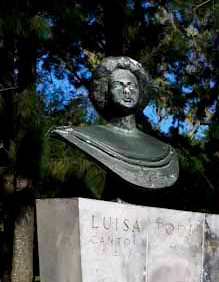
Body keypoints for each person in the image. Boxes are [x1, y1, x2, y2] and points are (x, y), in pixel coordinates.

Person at [52, 56, 178, 191]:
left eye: (132, 85)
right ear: (106, 92)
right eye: (119, 85)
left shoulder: (165, 151)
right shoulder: (82, 136)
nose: (127, 91)